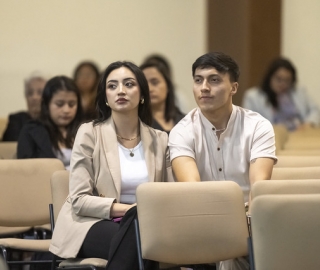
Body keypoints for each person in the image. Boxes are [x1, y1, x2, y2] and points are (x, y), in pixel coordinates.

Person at [49, 61, 173, 270]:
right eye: (112, 86)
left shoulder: (160, 139)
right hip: (91, 222)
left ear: (142, 94)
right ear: (105, 97)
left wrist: (141, 215)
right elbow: (79, 200)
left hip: (148, 224)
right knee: (140, 238)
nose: (121, 91)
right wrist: (131, 211)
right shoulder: (89, 133)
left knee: (142, 235)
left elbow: (171, 194)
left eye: (129, 84)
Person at [17, 76, 82, 170]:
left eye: (72, 104)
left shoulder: (85, 129)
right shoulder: (31, 131)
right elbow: (25, 170)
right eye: (60, 104)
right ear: (47, 104)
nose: (66, 110)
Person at [242, 57, 320, 131]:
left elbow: (315, 110)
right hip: (272, 137)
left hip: (299, 135)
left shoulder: (299, 92)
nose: (283, 84)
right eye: (279, 79)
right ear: (270, 77)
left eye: (287, 80)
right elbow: (249, 124)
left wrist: (309, 123)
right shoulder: (253, 97)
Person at [140, 61, 185, 133]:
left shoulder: (185, 122)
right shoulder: (136, 124)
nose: (150, 89)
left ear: (168, 86)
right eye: (144, 85)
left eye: (155, 82)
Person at [2, 71, 47, 141]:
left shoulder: (54, 121)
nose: (34, 97)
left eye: (40, 92)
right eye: (30, 93)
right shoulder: (16, 120)